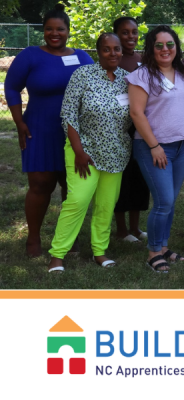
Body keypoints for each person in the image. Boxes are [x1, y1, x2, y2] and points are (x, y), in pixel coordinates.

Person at [5, 4, 93, 258]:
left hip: (74, 133)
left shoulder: (82, 58)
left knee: (72, 186)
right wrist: (19, 121)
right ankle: (33, 239)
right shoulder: (31, 55)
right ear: (43, 31)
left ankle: (69, 237)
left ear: (68, 31)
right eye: (49, 29)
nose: (55, 34)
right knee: (40, 184)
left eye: (60, 29)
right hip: (39, 129)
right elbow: (11, 87)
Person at [46, 33, 132, 272]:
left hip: (116, 152)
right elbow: (69, 114)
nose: (112, 53)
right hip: (84, 151)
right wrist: (78, 151)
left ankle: (100, 251)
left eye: (116, 49)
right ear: (98, 52)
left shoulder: (127, 80)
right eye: (107, 49)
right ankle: (57, 254)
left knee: (106, 204)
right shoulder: (82, 75)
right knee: (77, 200)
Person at [126, 25, 184, 273]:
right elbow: (136, 113)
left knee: (170, 202)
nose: (165, 49)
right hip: (153, 147)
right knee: (163, 201)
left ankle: (164, 247)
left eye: (170, 44)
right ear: (151, 48)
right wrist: (154, 146)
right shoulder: (143, 75)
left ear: (176, 47)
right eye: (159, 45)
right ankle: (153, 252)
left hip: (181, 146)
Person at [112, 16, 150, 243]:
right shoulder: (112, 58)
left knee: (139, 176)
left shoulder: (144, 59)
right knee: (121, 178)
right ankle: (121, 229)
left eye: (134, 32)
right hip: (118, 129)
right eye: (125, 32)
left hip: (141, 127)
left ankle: (135, 228)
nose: (131, 37)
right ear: (116, 33)